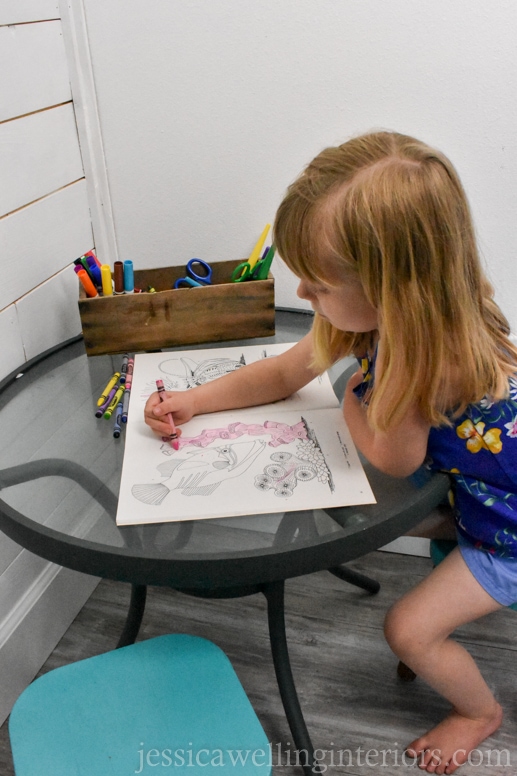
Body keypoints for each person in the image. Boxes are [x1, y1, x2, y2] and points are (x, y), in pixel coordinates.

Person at [144, 130, 517, 774]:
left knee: (407, 630)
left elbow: (393, 458)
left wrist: (350, 403)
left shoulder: (424, 360)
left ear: (388, 287)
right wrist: (198, 401)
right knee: (353, 517)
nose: (300, 295)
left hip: (504, 528)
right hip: (474, 488)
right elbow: (284, 374)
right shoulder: (398, 312)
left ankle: (478, 712)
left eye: (316, 284)